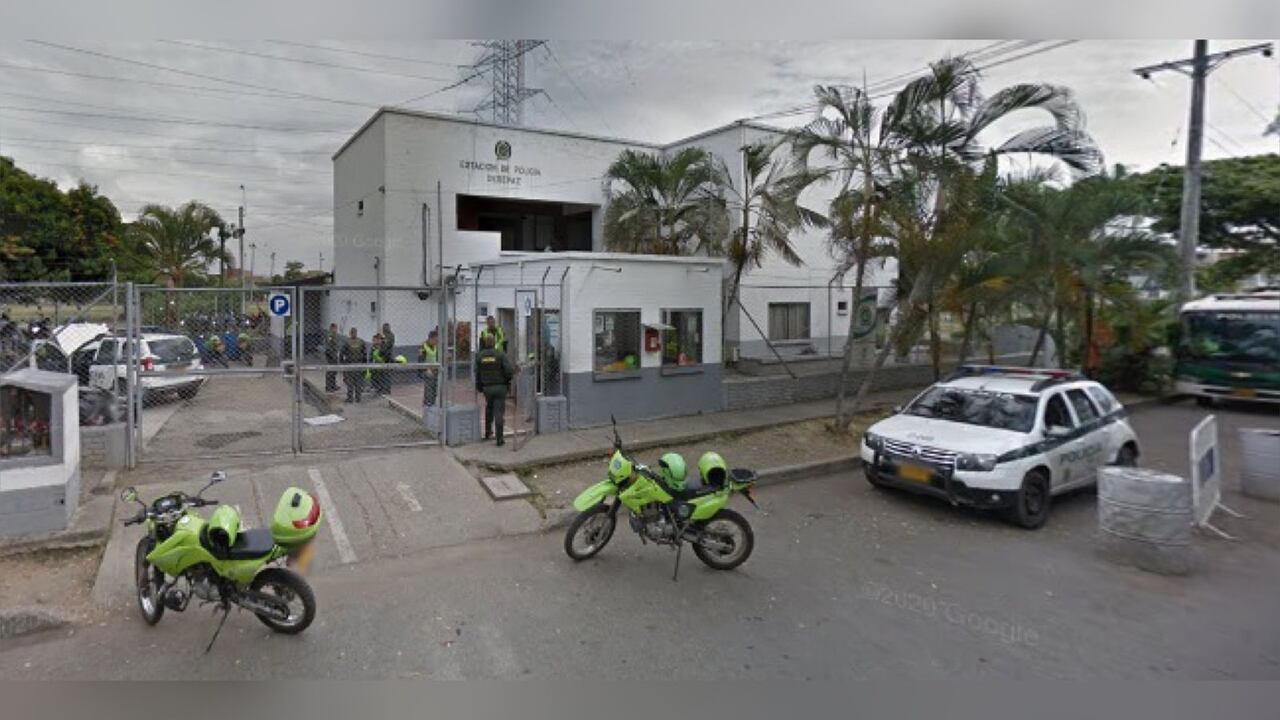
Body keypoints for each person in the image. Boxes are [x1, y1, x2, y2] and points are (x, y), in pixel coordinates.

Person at [475, 333, 514, 445]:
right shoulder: (500, 355)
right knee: (499, 412)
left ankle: (487, 432)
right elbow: (508, 371)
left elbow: (477, 373)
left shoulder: (480, 356)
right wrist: (508, 381)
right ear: (494, 342)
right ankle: (499, 439)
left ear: (486, 343)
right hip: (500, 387)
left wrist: (479, 387)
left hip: (487, 388)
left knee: (489, 408)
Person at [340, 327, 367, 403]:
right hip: (358, 364)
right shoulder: (361, 342)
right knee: (358, 382)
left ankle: (350, 398)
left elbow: (342, 354)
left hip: (350, 364)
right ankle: (358, 398)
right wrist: (364, 365)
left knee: (350, 382)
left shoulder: (347, 342)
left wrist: (342, 364)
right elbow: (364, 354)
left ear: (350, 333)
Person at [419, 329, 440, 407]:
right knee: (429, 389)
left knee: (434, 389)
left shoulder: (435, 346)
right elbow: (420, 361)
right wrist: (426, 369)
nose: (436, 342)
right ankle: (427, 404)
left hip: (434, 370)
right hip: (426, 371)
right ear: (431, 339)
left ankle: (432, 404)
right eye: (435, 340)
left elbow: (436, 357)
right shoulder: (423, 347)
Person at [324, 323, 341, 392]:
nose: (336, 330)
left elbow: (336, 345)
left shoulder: (334, 335)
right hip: (330, 354)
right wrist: (333, 355)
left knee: (334, 371)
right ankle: (328, 386)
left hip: (334, 354)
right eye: (335, 328)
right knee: (331, 370)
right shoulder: (330, 335)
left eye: (336, 328)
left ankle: (333, 385)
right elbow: (329, 346)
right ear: (332, 328)